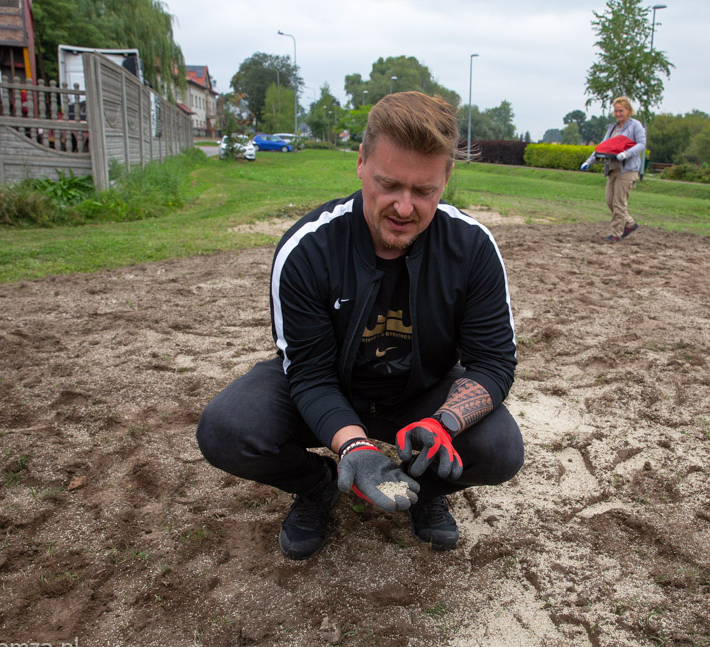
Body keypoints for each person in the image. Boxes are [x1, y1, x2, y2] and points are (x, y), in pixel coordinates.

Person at [196, 91, 524, 560]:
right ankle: (318, 487)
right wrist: (353, 447)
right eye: (388, 184)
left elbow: (493, 362)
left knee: (500, 449)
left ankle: (423, 491)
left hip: (421, 391)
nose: (404, 207)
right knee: (226, 429)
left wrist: (444, 423)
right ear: (361, 162)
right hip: (331, 384)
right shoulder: (308, 249)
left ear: (446, 178)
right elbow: (308, 374)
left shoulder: (472, 248)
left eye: (424, 190)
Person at [580, 96, 647, 242]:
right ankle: (629, 224)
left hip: (627, 169)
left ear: (628, 110)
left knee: (619, 203)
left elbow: (642, 144)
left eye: (621, 111)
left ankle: (616, 234)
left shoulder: (635, 125)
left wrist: (627, 154)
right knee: (610, 201)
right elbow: (604, 146)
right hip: (613, 168)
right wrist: (589, 161)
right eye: (616, 111)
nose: (618, 114)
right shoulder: (612, 128)